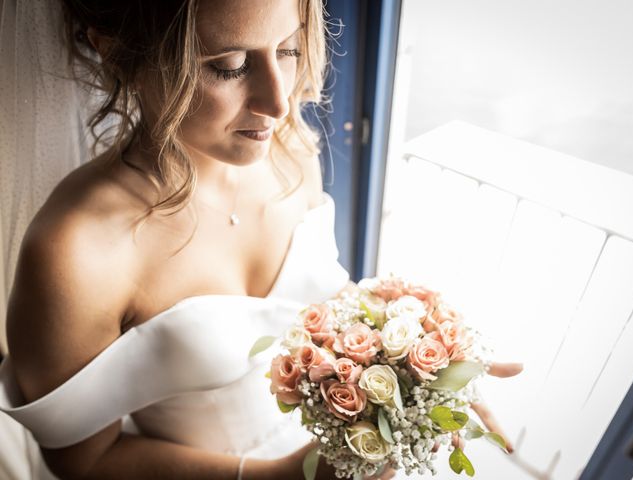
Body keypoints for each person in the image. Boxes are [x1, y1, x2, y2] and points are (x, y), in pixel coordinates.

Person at [0, 1, 521, 479]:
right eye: (228, 65)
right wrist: (276, 477)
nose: (278, 100)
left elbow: (311, 312)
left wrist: (414, 364)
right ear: (119, 53)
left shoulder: (290, 149)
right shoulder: (76, 253)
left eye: (289, 48)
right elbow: (84, 462)